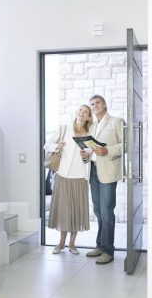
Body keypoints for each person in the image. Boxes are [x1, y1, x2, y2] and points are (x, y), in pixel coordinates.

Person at [80, 94, 124, 264]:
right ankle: (100, 245)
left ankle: (108, 250)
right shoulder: (92, 127)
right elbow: (91, 150)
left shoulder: (116, 121)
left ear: (104, 104)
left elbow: (126, 144)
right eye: (92, 104)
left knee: (106, 210)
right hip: (93, 171)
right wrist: (85, 154)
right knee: (98, 210)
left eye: (97, 102)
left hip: (108, 171)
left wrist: (108, 150)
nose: (94, 105)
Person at [44, 105, 92, 255]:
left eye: (85, 112)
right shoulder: (63, 128)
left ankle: (72, 244)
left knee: (77, 210)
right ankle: (60, 243)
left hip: (80, 177)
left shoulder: (89, 134)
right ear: (76, 113)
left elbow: (89, 157)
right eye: (80, 110)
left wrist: (86, 157)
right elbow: (47, 145)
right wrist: (56, 146)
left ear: (88, 117)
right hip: (63, 175)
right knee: (63, 210)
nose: (81, 113)